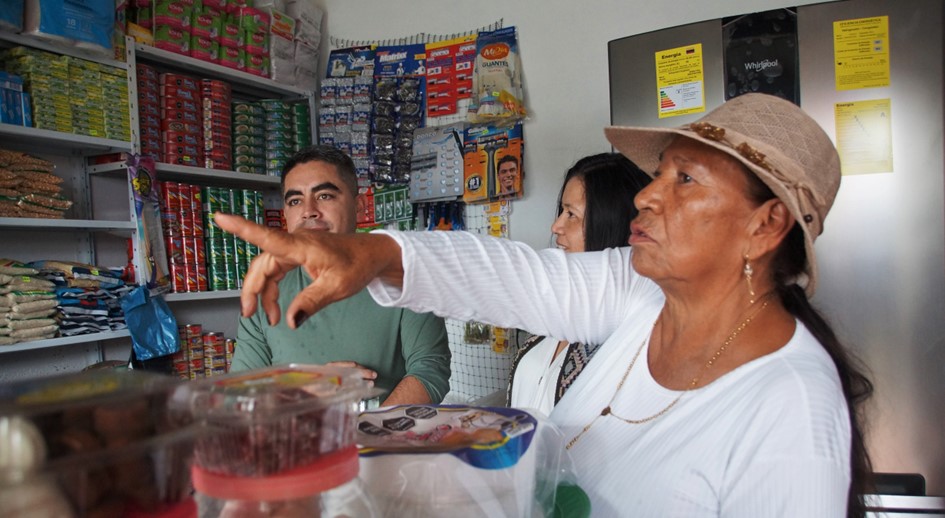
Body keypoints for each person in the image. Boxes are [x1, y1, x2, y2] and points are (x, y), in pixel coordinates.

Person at [216, 94, 873, 517]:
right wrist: (375, 254)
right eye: (658, 173)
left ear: (765, 225)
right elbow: (517, 276)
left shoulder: (790, 409)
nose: (646, 197)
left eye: (684, 180)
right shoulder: (641, 294)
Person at [230, 145, 451, 407]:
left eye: (324, 196)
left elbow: (430, 370)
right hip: (299, 441)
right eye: (295, 200)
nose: (309, 210)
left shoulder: (402, 277)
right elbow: (241, 394)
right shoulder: (265, 292)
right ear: (286, 214)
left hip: (386, 439)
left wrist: (370, 429)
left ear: (359, 207)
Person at [507, 153, 651, 414]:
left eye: (571, 214)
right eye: (562, 211)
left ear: (610, 223)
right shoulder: (554, 312)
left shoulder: (631, 335)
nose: (556, 226)